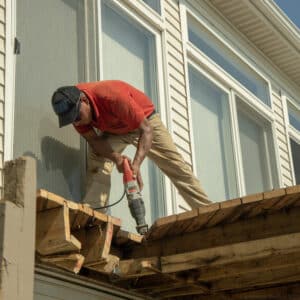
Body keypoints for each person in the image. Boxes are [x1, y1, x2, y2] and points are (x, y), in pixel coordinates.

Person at [51, 80, 210, 210]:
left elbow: (146, 130)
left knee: (175, 166)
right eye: (72, 119)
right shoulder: (75, 114)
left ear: (84, 100)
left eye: (77, 116)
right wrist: (118, 159)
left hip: (145, 122)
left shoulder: (111, 96)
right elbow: (95, 141)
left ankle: (206, 210)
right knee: (98, 158)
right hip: (114, 129)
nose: (76, 121)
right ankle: (94, 213)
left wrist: (135, 165)